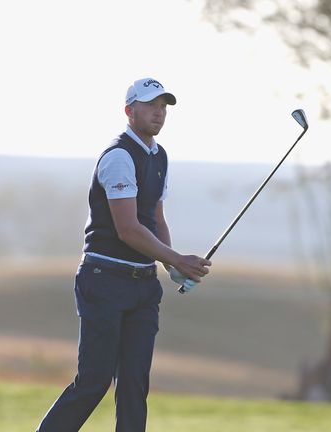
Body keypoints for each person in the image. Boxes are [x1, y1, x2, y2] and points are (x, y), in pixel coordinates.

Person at [36, 77, 212, 432]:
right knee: (94, 382)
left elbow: (155, 217)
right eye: (150, 106)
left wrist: (170, 264)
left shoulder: (158, 156)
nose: (159, 114)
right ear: (130, 111)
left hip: (143, 287)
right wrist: (177, 259)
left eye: (163, 107)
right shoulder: (119, 156)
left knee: (134, 386)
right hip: (105, 280)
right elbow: (127, 229)